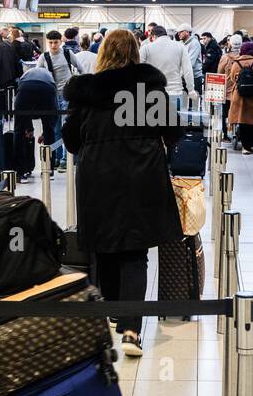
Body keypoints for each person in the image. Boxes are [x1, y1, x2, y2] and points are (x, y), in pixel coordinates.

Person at [62, 29, 182, 357]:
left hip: (97, 175)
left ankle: (113, 310)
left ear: (103, 53)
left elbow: (71, 140)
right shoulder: (148, 87)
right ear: (135, 53)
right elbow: (172, 132)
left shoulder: (86, 92)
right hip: (141, 175)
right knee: (135, 252)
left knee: (105, 247)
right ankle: (131, 330)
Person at [14, 64, 60, 175]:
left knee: (19, 131)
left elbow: (23, 112)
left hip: (25, 87)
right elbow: (55, 114)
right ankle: (49, 170)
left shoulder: (26, 75)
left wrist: (28, 128)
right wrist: (45, 133)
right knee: (50, 132)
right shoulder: (49, 77)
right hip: (47, 89)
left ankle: (20, 172)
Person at [225, 40, 253, 154]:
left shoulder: (236, 63)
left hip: (239, 96)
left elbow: (232, 79)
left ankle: (245, 147)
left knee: (242, 121)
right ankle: (252, 145)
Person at [140, 24, 193, 104]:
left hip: (153, 93)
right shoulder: (180, 46)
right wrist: (191, 90)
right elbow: (188, 70)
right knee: (174, 116)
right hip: (175, 92)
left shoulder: (146, 48)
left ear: (153, 36)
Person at [0, 30, 22, 116]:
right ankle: (9, 114)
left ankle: (1, 115)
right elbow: (16, 60)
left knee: (0, 96)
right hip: (11, 76)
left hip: (1, 76)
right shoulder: (9, 44)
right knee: (9, 96)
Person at [41, 29, 83, 98]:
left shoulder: (68, 53)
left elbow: (80, 69)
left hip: (67, 91)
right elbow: (37, 74)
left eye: (55, 42)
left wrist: (80, 84)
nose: (53, 45)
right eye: (50, 42)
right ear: (47, 42)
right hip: (51, 92)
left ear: (60, 42)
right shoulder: (44, 56)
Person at [178, 27, 204, 94]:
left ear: (187, 32)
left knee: (193, 102)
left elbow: (190, 63)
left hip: (194, 77)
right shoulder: (181, 43)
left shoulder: (194, 43)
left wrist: (179, 74)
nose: (178, 34)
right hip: (184, 77)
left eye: (181, 31)